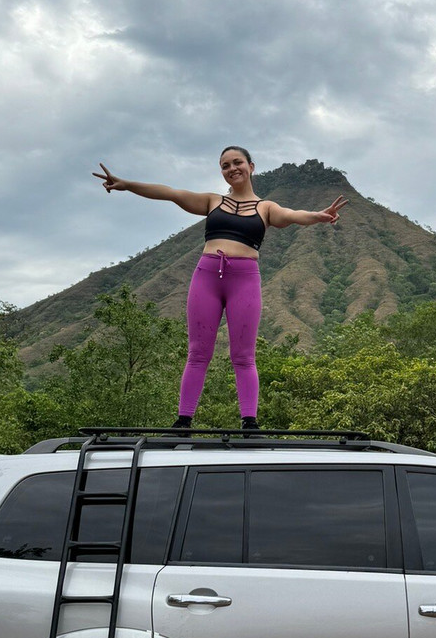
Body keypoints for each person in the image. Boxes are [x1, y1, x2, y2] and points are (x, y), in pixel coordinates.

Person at [93, 146, 347, 431]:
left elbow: (291, 215)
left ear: (251, 166)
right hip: (207, 277)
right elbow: (169, 193)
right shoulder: (212, 201)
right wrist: (126, 185)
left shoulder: (266, 208)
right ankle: (184, 420)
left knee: (244, 355)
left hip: (245, 280)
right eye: (225, 165)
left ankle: (249, 422)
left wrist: (319, 215)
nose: (231, 168)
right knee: (198, 352)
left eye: (237, 162)